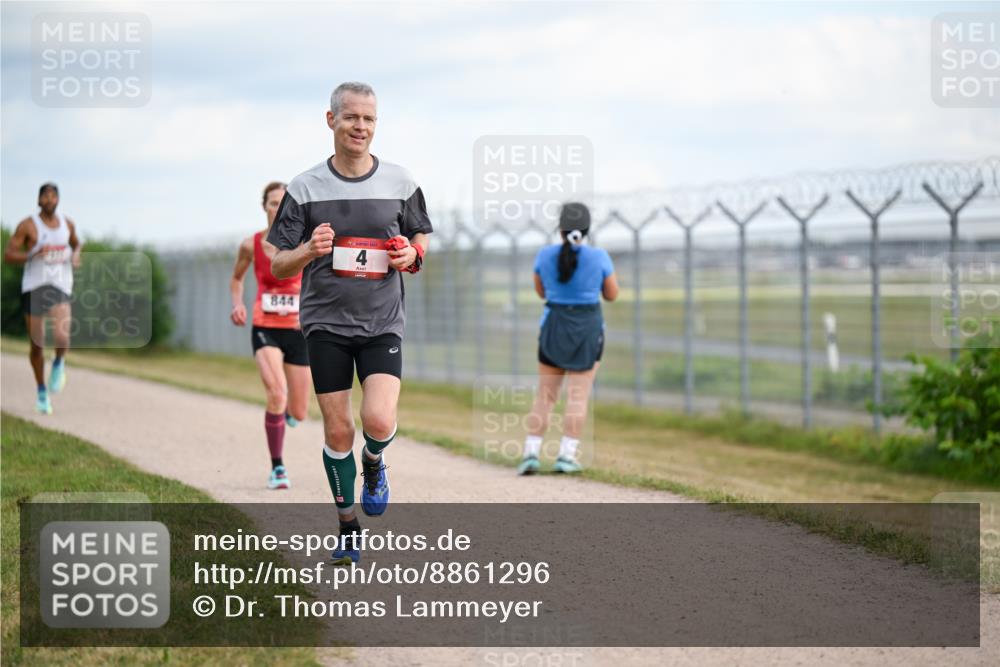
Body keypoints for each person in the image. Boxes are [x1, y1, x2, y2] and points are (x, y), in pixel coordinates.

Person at [267, 82, 432, 564]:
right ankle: (346, 526)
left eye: (370, 119)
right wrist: (307, 250)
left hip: (382, 320)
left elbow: (419, 238)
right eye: (352, 118)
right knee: (337, 431)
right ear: (331, 120)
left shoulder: (401, 181)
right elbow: (278, 264)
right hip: (326, 324)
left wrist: (411, 255)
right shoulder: (305, 187)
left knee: (377, 420)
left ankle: (374, 463)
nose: (361, 127)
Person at [519, 202, 618, 475]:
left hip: (553, 327)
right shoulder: (599, 257)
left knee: (545, 395)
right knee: (578, 396)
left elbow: (541, 292)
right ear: (587, 229)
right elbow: (611, 294)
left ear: (560, 229)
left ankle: (530, 453)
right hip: (587, 330)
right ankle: (566, 455)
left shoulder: (544, 255)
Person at [230, 181, 310, 490]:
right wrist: (237, 304)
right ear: (264, 206)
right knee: (277, 393)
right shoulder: (250, 245)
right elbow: (236, 279)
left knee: (299, 410)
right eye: (273, 203)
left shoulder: (304, 243)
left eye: (284, 203)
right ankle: (277, 467)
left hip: (299, 330)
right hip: (266, 328)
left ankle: (289, 413)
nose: (278, 208)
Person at [3, 183, 81, 415]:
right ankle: (41, 392)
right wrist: (32, 254)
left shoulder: (67, 224)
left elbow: (77, 244)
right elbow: (8, 254)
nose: (49, 199)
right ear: (39, 201)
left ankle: (58, 364)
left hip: (59, 285)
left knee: (62, 335)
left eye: (53, 195)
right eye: (45, 195)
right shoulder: (28, 226)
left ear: (58, 200)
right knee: (37, 344)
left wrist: (76, 256)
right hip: (34, 286)